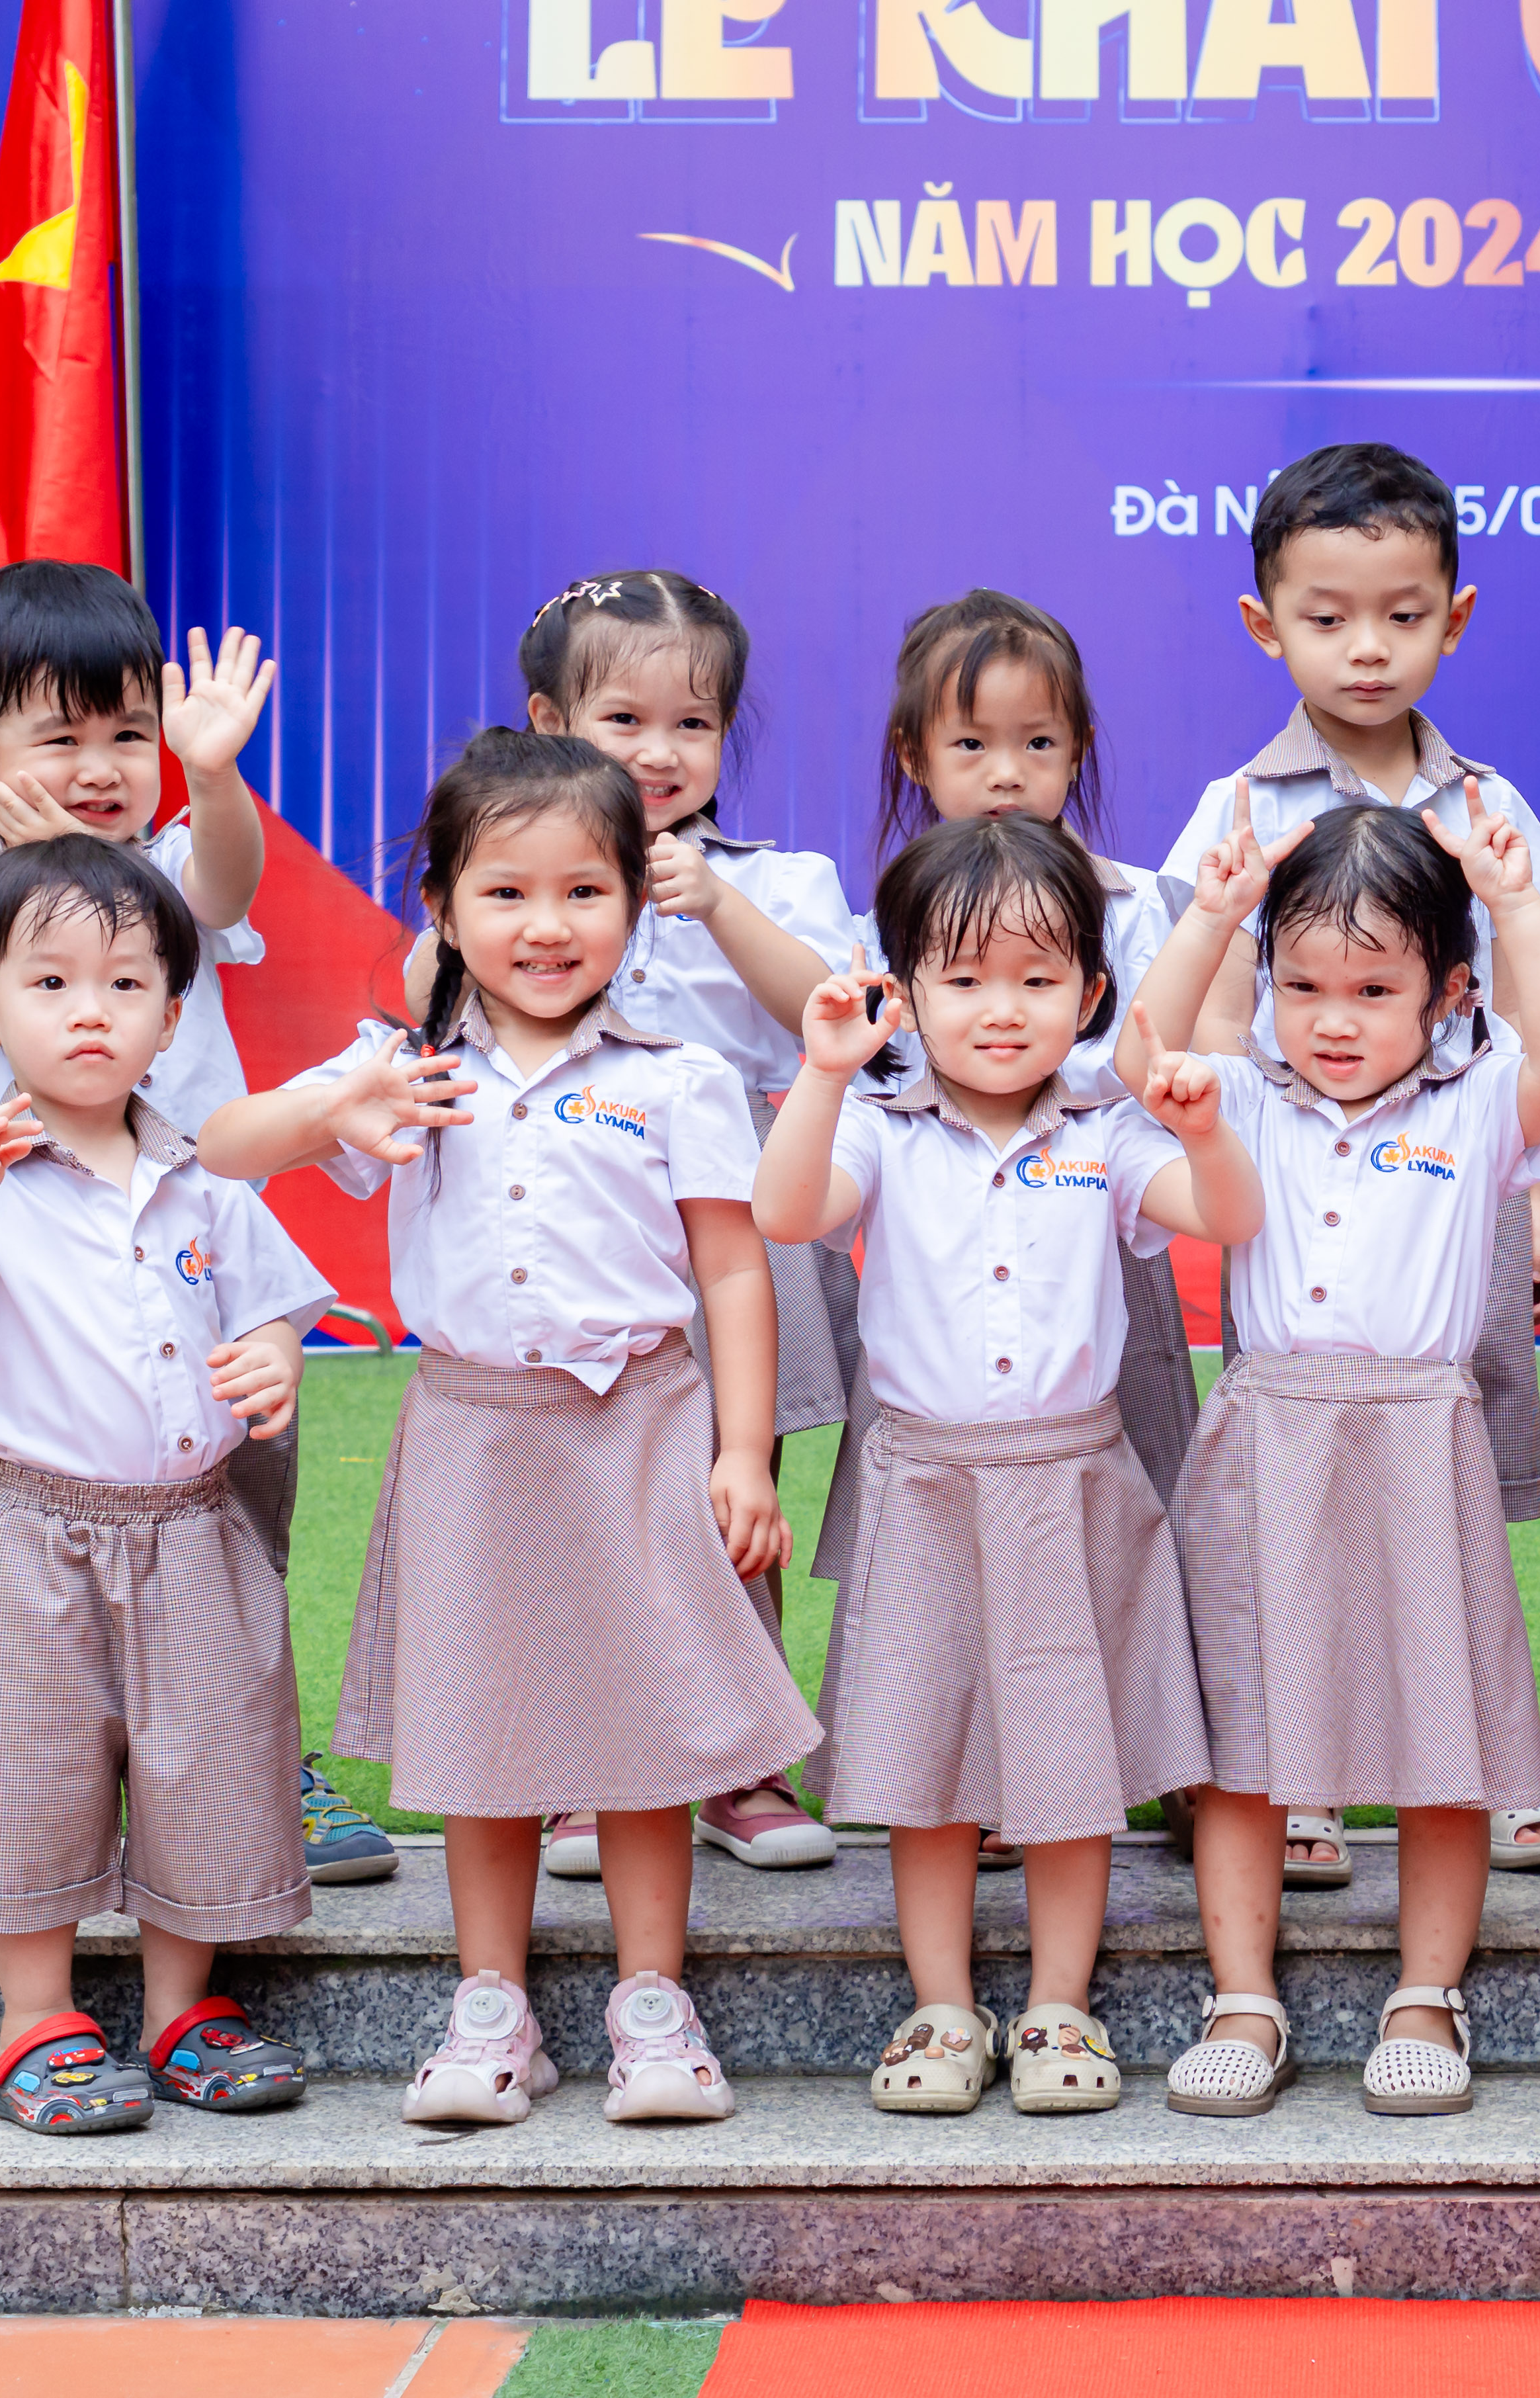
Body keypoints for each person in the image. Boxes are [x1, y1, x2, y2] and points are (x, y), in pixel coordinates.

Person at [200, 728, 818, 2129]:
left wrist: (740, 1450)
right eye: (506, 892)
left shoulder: (677, 1076)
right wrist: (334, 1106)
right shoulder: (401, 1068)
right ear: (442, 906)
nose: (547, 926)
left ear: (636, 902)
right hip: (474, 1435)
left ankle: (653, 2004)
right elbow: (220, 1149)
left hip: (644, 1427)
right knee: (481, 1731)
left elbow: (734, 1270)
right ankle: (491, 2005)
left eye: (584, 891)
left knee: (651, 1729)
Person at [754, 816, 1263, 2116]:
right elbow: (785, 1211)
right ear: (906, 989)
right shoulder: (880, 1127)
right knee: (926, 1765)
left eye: (1038, 979)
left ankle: (1057, 2004)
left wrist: (1204, 1131)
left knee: (1066, 1764)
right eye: (965, 977)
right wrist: (822, 1071)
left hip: (1072, 1485)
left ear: (1090, 995)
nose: (1000, 1009)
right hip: (922, 1483)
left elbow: (1229, 1218)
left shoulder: (1106, 1134)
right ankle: (941, 2005)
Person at [0, 564, 390, 1885]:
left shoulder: (167, 870)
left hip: (206, 1264)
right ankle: (56, 1763)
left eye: (128, 733)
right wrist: (29, 862)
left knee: (240, 1527)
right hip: (49, 1293)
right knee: (41, 1543)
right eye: (59, 737)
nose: (101, 766)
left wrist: (212, 775)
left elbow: (218, 888)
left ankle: (263, 1760)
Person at [1146, 444, 1540, 1884]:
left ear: (1453, 619)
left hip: (1453, 1181)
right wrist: (1240, 1128)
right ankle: (1311, 1770)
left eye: (1401, 615)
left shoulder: (1486, 804)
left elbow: (1525, 1021)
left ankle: (1484, 1758)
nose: (1366, 647)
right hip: (1297, 1186)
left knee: (1457, 1468)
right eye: (1326, 616)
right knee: (1297, 1499)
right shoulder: (1237, 807)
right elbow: (1214, 1025)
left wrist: (1530, 1188)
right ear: (1262, 622)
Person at [0, 836, 328, 2131]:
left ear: (172, 1018)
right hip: (30, 1532)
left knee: (209, 1759)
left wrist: (275, 1359)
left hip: (196, 1529)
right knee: (29, 1762)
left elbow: (271, 1309)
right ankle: (36, 2018)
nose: (89, 1011)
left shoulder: (206, 1185)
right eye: (50, 982)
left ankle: (182, 2005)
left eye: (125, 984)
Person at [1134, 794, 1540, 2119]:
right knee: (1244, 1742)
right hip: (1263, 1433)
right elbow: (1142, 1049)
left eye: (1374, 989)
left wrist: (1515, 900)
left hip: (1419, 1441)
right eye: (1302, 986)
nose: (1332, 1020)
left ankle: (1426, 1995)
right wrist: (1214, 914)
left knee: (1438, 1732)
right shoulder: (1241, 1095)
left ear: (1449, 995)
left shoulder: (1479, 1103)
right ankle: (1243, 1997)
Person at [807, 598, 1207, 1786]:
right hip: (942, 1258)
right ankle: (956, 1764)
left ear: (1078, 750)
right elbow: (871, 1086)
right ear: (913, 756)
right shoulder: (886, 925)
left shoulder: (1139, 906)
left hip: (1102, 1233)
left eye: (1038, 742)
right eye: (971, 743)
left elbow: (1153, 1061)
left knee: (1133, 1498)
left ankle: (1165, 1753)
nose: (1005, 773)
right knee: (936, 1535)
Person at [507, 570, 851, 1880]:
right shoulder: (523, 879)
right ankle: (593, 1763)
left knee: (729, 1488)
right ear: (549, 722)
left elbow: (834, 1010)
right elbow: (431, 990)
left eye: (692, 723)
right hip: (581, 1219)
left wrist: (717, 902)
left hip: (736, 1226)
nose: (659, 752)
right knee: (584, 1490)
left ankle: (740, 1757)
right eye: (623, 720)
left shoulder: (777, 878)